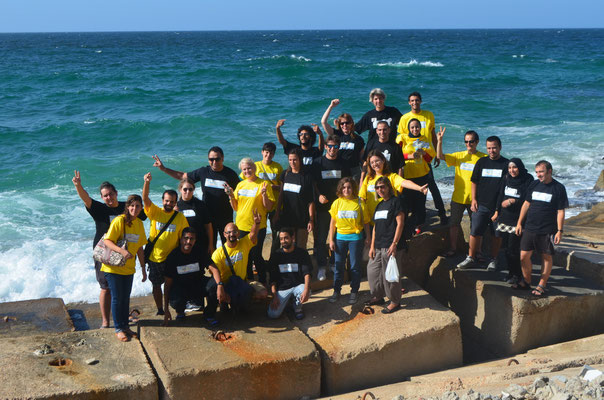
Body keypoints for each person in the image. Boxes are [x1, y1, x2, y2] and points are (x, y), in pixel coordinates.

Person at [72, 171, 146, 329]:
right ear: (102, 197)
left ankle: (121, 317)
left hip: (124, 254)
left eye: (111, 194)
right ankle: (106, 321)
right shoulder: (99, 208)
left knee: (122, 288)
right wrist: (78, 186)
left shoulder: (126, 208)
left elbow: (143, 210)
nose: (108, 197)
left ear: (116, 193)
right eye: (105, 195)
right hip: (104, 253)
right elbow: (85, 198)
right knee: (106, 287)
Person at [152, 146, 240, 247]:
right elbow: (182, 176)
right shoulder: (203, 172)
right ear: (208, 160)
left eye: (217, 159)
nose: (214, 162)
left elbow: (240, 193)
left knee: (230, 247)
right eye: (211, 159)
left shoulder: (230, 174)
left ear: (222, 158)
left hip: (225, 218)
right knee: (210, 247)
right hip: (208, 218)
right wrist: (164, 169)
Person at [515, 160, 568, 296]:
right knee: (523, 256)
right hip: (530, 227)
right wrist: (519, 223)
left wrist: (559, 231)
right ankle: (527, 281)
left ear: (549, 171)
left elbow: (560, 211)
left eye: (541, 172)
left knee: (546, 257)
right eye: (537, 172)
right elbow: (526, 204)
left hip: (547, 229)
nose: (538, 175)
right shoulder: (534, 184)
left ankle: (541, 284)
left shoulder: (559, 188)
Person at [457, 136, 509, 271]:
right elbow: (474, 181)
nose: (491, 151)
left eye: (494, 148)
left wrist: (500, 208)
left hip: (497, 207)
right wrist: (473, 200)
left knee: (496, 234)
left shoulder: (506, 165)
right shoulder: (481, 162)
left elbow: (508, 187)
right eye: (489, 148)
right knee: (474, 232)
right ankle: (470, 258)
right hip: (481, 205)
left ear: (500, 147)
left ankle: (494, 259)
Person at [101, 194, 147, 342]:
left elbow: (140, 247)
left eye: (138, 206)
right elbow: (108, 241)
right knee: (117, 298)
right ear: (127, 207)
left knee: (125, 298)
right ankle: (118, 329)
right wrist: (122, 251)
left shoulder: (139, 224)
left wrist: (143, 267)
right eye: (132, 205)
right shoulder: (119, 221)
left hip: (128, 268)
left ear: (141, 208)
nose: (134, 208)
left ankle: (125, 326)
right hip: (113, 267)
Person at [397, 92, 447, 224]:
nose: (415, 103)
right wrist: (405, 157)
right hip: (410, 161)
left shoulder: (428, 115)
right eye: (412, 101)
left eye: (417, 100)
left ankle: (441, 212)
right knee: (410, 189)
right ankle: (413, 215)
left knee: (431, 185)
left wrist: (437, 153)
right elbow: (402, 141)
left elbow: (432, 135)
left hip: (425, 156)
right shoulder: (404, 118)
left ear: (421, 101)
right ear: (409, 102)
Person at [142, 172, 189, 315]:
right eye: (167, 201)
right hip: (154, 258)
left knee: (174, 285)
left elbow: (184, 237)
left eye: (172, 201)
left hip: (172, 258)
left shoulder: (180, 217)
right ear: (162, 200)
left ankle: (177, 309)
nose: (169, 204)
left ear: (176, 202)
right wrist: (147, 182)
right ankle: (160, 309)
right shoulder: (155, 212)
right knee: (156, 286)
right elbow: (145, 198)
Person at [224, 158, 275, 285]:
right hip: (240, 226)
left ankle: (263, 281)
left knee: (257, 255)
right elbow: (235, 207)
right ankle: (249, 281)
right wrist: (230, 195)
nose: (247, 171)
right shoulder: (240, 185)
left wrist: (263, 195)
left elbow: (268, 207)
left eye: (249, 168)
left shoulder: (263, 184)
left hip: (258, 226)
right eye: (244, 169)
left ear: (254, 168)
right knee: (245, 256)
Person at [436, 130, 487, 256]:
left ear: (477, 142)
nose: (468, 144)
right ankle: (453, 249)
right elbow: (440, 156)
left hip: (475, 199)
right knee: (454, 224)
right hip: (458, 197)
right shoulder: (459, 156)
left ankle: (477, 251)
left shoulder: (483, 158)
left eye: (471, 141)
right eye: (466, 141)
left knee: (476, 227)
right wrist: (440, 141)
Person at [162, 228, 223, 326]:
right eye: (186, 238)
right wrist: (166, 310)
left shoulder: (199, 251)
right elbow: (167, 285)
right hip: (181, 289)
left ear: (195, 240)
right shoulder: (173, 256)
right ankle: (180, 311)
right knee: (175, 300)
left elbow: (214, 269)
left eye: (192, 239)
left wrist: (220, 286)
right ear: (181, 239)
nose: (188, 241)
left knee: (214, 285)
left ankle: (209, 315)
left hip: (197, 285)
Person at [311, 134, 352, 281]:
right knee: (321, 238)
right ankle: (322, 267)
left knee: (337, 236)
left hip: (340, 207)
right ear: (326, 147)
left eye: (335, 146)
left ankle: (335, 263)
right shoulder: (318, 163)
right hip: (323, 207)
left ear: (338, 147)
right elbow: (313, 183)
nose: (332, 149)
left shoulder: (343, 163)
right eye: (329, 146)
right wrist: (319, 196)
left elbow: (348, 182)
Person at [210, 210, 262, 314]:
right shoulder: (218, 253)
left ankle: (240, 303)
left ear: (238, 233)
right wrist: (221, 289)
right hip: (227, 284)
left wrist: (256, 224)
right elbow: (213, 272)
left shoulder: (244, 244)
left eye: (234, 232)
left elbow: (252, 234)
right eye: (228, 232)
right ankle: (225, 302)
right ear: (224, 234)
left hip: (242, 282)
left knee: (263, 293)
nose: (232, 234)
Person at [328, 177, 371, 305]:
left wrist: (368, 237)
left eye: (349, 187)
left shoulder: (359, 203)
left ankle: (354, 291)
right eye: (344, 187)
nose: (346, 190)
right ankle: (337, 291)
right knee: (338, 266)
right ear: (340, 189)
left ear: (353, 188)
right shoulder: (337, 203)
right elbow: (332, 223)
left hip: (355, 239)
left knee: (354, 267)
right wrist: (331, 240)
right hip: (340, 238)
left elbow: (366, 222)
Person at [490, 159, 533, 285]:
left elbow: (527, 200)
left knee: (514, 249)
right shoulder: (506, 178)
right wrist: (497, 211)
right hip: (505, 219)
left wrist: (512, 201)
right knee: (506, 249)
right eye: (509, 168)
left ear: (520, 167)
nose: (512, 170)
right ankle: (511, 273)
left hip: (518, 219)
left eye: (514, 167)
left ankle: (518, 275)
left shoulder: (527, 179)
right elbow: (500, 196)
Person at [367, 177, 406, 313]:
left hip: (390, 245)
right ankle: (378, 296)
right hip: (377, 245)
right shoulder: (379, 205)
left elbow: (400, 223)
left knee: (390, 276)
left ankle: (395, 301)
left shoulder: (396, 202)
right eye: (377, 188)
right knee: (372, 273)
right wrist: (372, 246)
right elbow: (375, 228)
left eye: (382, 187)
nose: (380, 190)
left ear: (389, 187)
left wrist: (394, 243)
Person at [359, 150, 427, 222]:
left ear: (383, 160)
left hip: (388, 219)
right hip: (371, 219)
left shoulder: (391, 177)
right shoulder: (368, 178)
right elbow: (362, 197)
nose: (375, 164)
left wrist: (419, 188)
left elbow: (404, 182)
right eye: (372, 162)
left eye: (377, 161)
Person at [399, 118, 436, 234]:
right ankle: (404, 225)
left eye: (417, 127)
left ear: (420, 128)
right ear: (409, 128)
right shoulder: (403, 138)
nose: (415, 129)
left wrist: (424, 153)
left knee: (420, 202)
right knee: (406, 201)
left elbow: (430, 159)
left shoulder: (425, 139)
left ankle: (418, 224)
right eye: (412, 127)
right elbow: (396, 154)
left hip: (422, 175)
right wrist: (409, 156)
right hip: (408, 176)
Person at [273, 148, 315, 249]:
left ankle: (301, 265)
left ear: (300, 160)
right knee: (287, 246)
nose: (292, 162)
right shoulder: (285, 174)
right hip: (287, 217)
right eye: (290, 160)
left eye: (295, 159)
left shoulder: (307, 177)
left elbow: (311, 201)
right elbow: (281, 196)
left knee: (300, 247)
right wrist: (277, 214)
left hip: (302, 218)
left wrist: (311, 220)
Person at [267, 228, 312, 320]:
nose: (283, 241)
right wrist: (274, 296)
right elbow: (272, 278)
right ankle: (287, 303)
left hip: (298, 285)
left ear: (292, 237)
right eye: (281, 239)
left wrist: (306, 290)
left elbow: (307, 273)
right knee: (273, 314)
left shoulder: (302, 253)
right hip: (282, 288)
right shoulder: (276, 255)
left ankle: (297, 308)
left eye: (286, 238)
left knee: (305, 290)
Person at [321, 99, 365, 180]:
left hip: (354, 170)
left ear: (351, 123)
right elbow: (323, 122)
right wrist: (331, 106)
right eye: (342, 123)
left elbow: (361, 158)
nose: (344, 125)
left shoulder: (359, 139)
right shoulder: (336, 135)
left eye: (347, 123)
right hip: (339, 168)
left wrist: (365, 174)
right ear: (339, 124)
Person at [176, 178, 213, 256]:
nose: (188, 192)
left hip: (200, 244)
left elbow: (208, 226)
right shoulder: (176, 206)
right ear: (180, 189)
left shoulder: (200, 205)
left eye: (190, 189)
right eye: (185, 189)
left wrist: (210, 245)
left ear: (193, 190)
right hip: (182, 245)